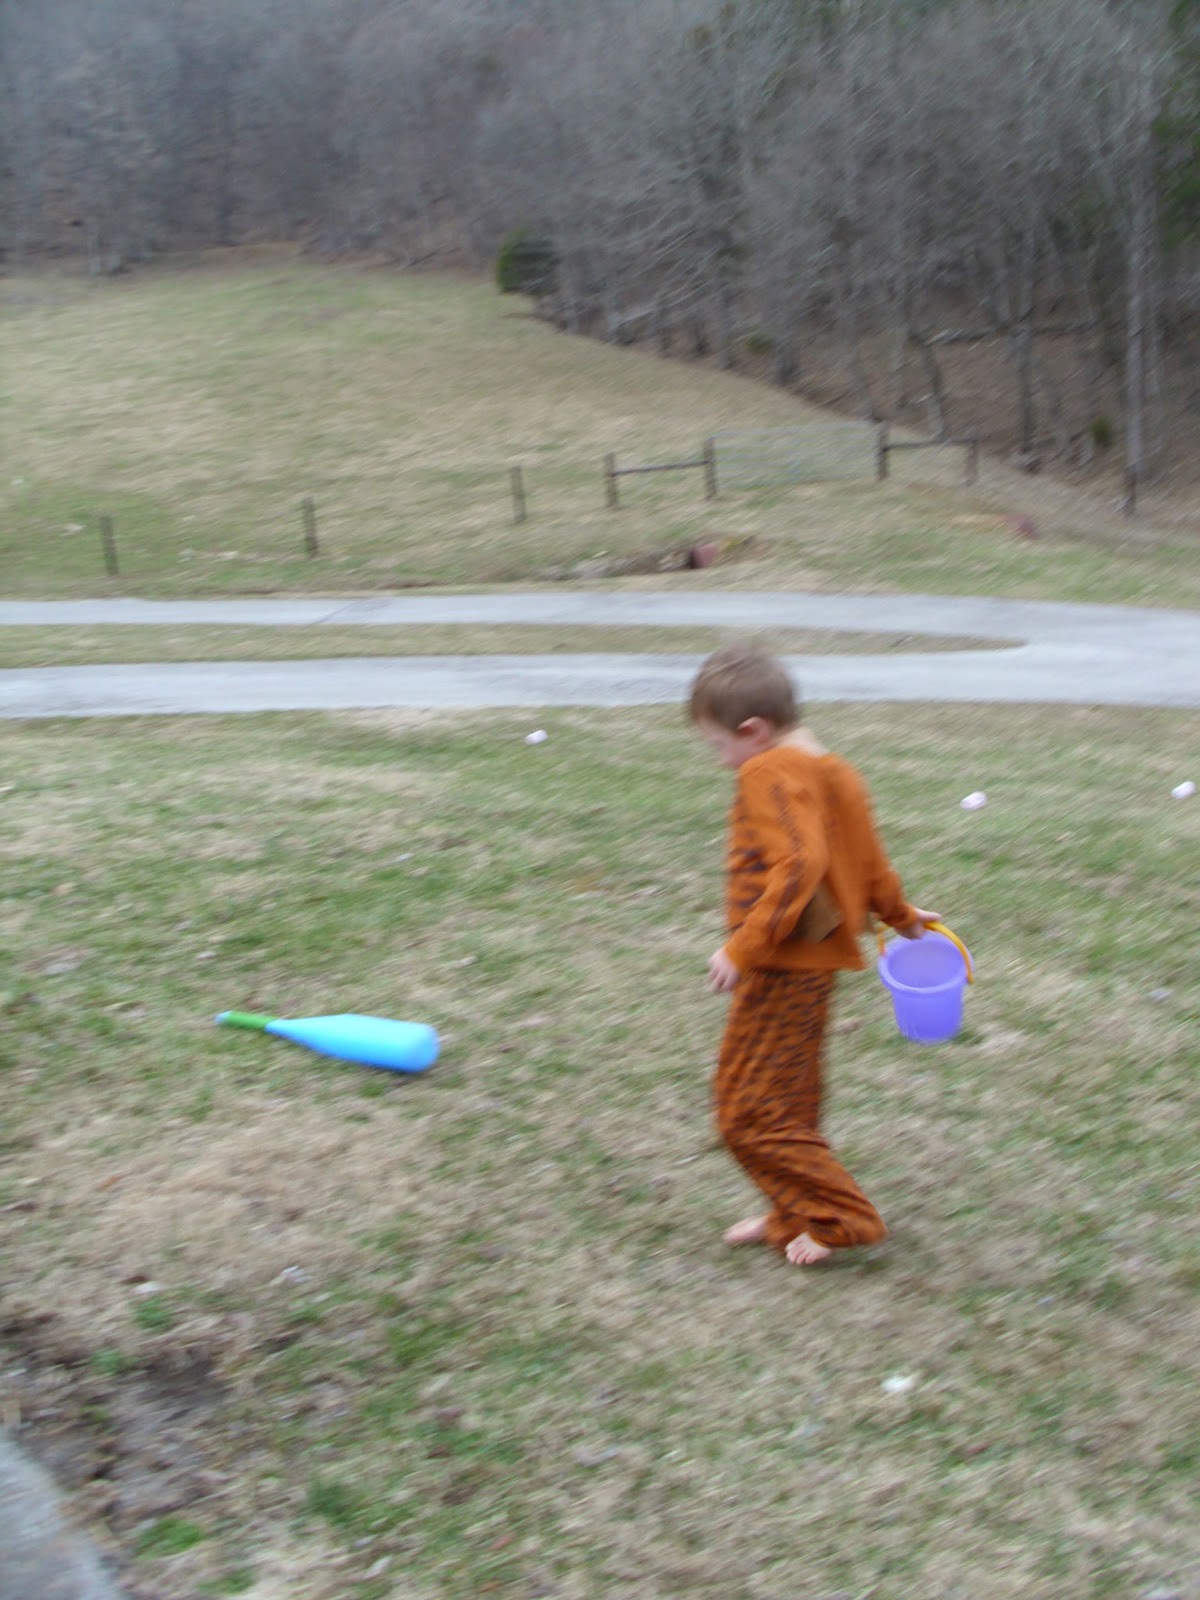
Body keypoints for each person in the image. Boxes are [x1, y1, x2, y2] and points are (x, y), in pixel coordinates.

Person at [688, 644, 937, 1268]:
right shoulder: (837, 771)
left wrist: (742, 949)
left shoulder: (767, 771)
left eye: (720, 745)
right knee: (789, 1100)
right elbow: (869, 862)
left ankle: (842, 1217)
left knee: (744, 1113)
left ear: (755, 730)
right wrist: (902, 917)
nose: (721, 761)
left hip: (782, 964)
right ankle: (794, 1211)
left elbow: (801, 863)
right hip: (813, 968)